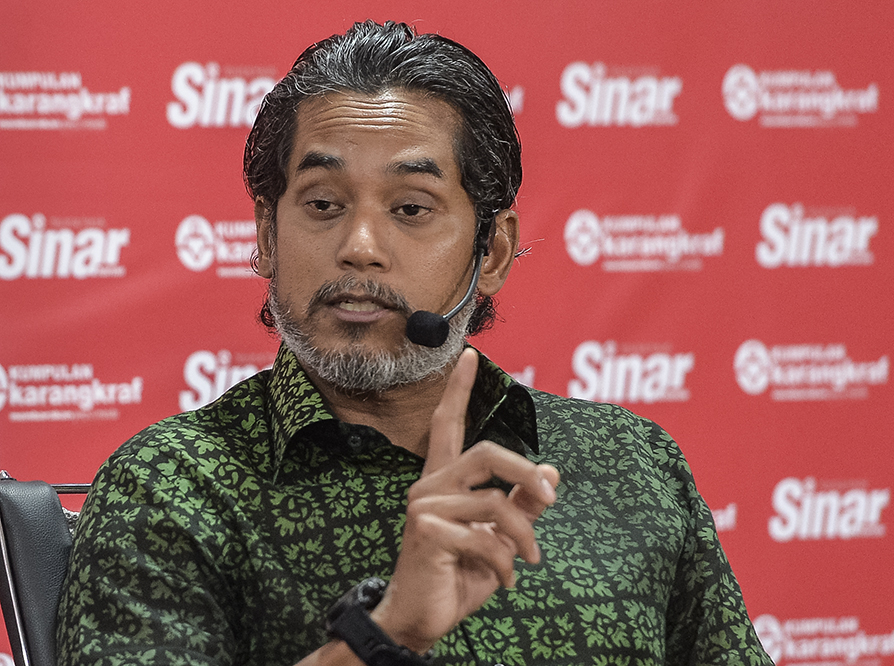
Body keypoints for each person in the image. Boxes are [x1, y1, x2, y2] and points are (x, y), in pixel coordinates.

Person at [57, 20, 773, 666]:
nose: (361, 247)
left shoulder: (630, 463)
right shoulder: (174, 484)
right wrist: (385, 632)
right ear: (268, 237)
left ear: (490, 251)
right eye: (324, 205)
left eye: (410, 209)